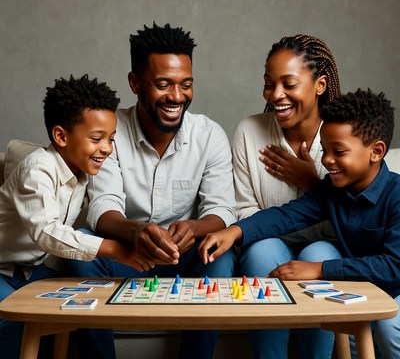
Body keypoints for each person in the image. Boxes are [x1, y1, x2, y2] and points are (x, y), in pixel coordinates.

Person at [64, 22, 237, 359]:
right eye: (162, 84)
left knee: (221, 255)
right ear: (134, 83)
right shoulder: (109, 133)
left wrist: (196, 228)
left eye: (186, 85)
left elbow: (222, 210)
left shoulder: (210, 135)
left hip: (187, 258)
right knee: (84, 245)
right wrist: (138, 230)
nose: (176, 96)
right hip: (130, 256)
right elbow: (103, 207)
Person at [199, 89, 400, 359]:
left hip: (395, 289)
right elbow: (287, 215)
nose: (327, 161)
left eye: (338, 152)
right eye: (326, 150)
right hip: (362, 290)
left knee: (389, 326)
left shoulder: (397, 196)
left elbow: (393, 266)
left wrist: (320, 269)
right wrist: (235, 230)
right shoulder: (333, 189)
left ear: (376, 151)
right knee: (352, 329)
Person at [0, 74, 145, 359]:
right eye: (96, 139)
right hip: (1, 268)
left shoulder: (84, 168)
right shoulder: (37, 170)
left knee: (81, 301)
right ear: (61, 136)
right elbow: (47, 232)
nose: (107, 148)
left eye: (111, 139)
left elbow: (107, 204)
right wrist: (115, 250)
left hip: (33, 270)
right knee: (12, 320)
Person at [232, 34, 342, 358]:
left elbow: (350, 218)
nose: (276, 94)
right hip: (265, 240)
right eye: (269, 84)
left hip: (326, 243)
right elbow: (243, 209)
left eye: (288, 84)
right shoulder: (249, 131)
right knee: (262, 251)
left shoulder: (343, 136)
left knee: (320, 252)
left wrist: (313, 184)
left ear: (320, 84)